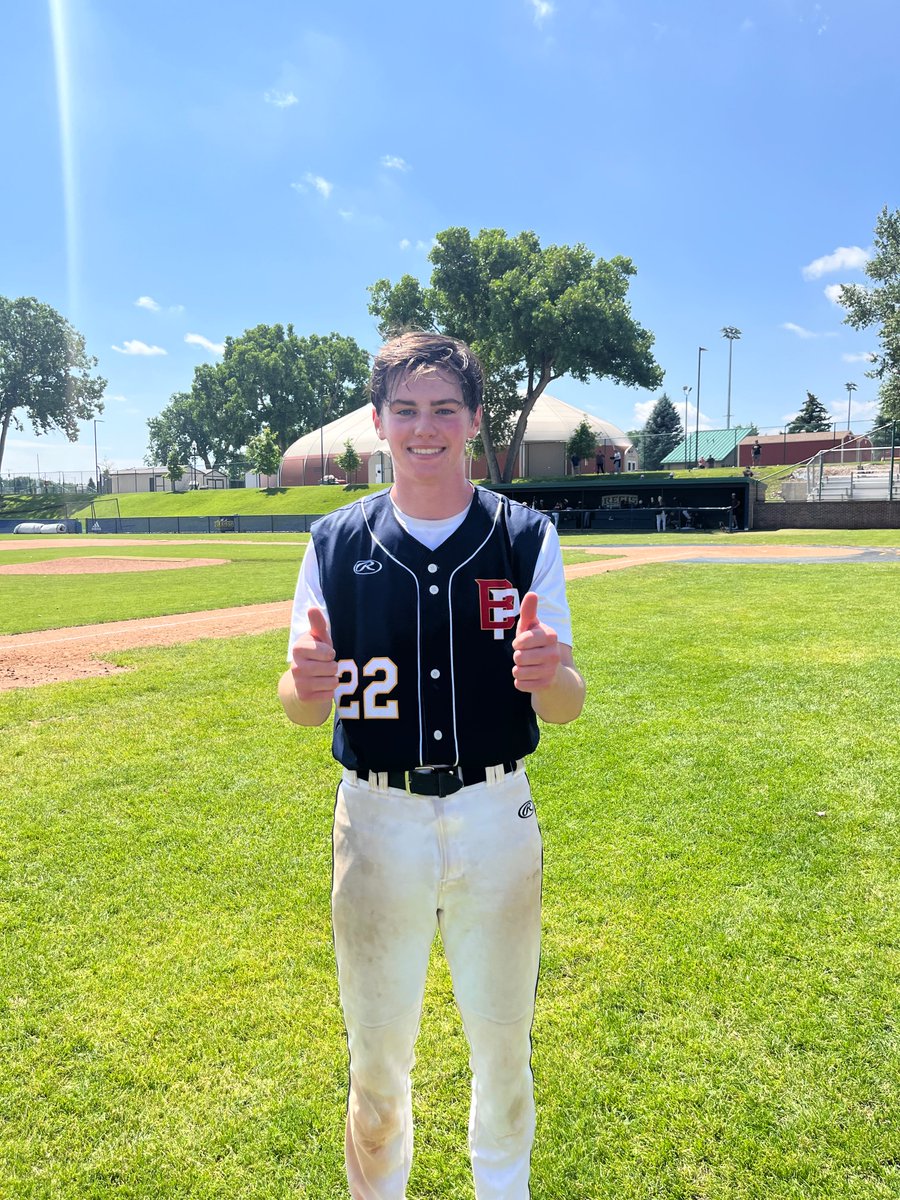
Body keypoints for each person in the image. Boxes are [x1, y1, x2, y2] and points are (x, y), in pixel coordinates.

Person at [279, 331, 586, 1200]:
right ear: (378, 423)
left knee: (503, 1048)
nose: (425, 428)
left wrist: (549, 675)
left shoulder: (523, 536)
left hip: (496, 816)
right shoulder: (335, 542)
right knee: (376, 1065)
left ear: (474, 420)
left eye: (444, 409)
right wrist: (301, 684)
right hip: (377, 821)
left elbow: (565, 700)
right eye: (405, 410)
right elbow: (303, 706)